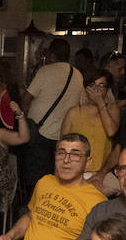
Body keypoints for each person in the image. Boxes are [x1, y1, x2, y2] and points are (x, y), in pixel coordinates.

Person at [22, 38, 85, 189]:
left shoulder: (45, 71)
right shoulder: (77, 75)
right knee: (56, 180)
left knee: (36, 180)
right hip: (64, 136)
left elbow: (25, 100)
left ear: (51, 54)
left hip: (39, 133)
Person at [61, 69, 119, 174]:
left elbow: (111, 132)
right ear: (86, 89)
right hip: (75, 170)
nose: (96, 89)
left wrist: (100, 103)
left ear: (107, 90)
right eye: (93, 85)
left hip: (100, 173)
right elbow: (62, 146)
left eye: (102, 85)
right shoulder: (73, 112)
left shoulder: (112, 110)